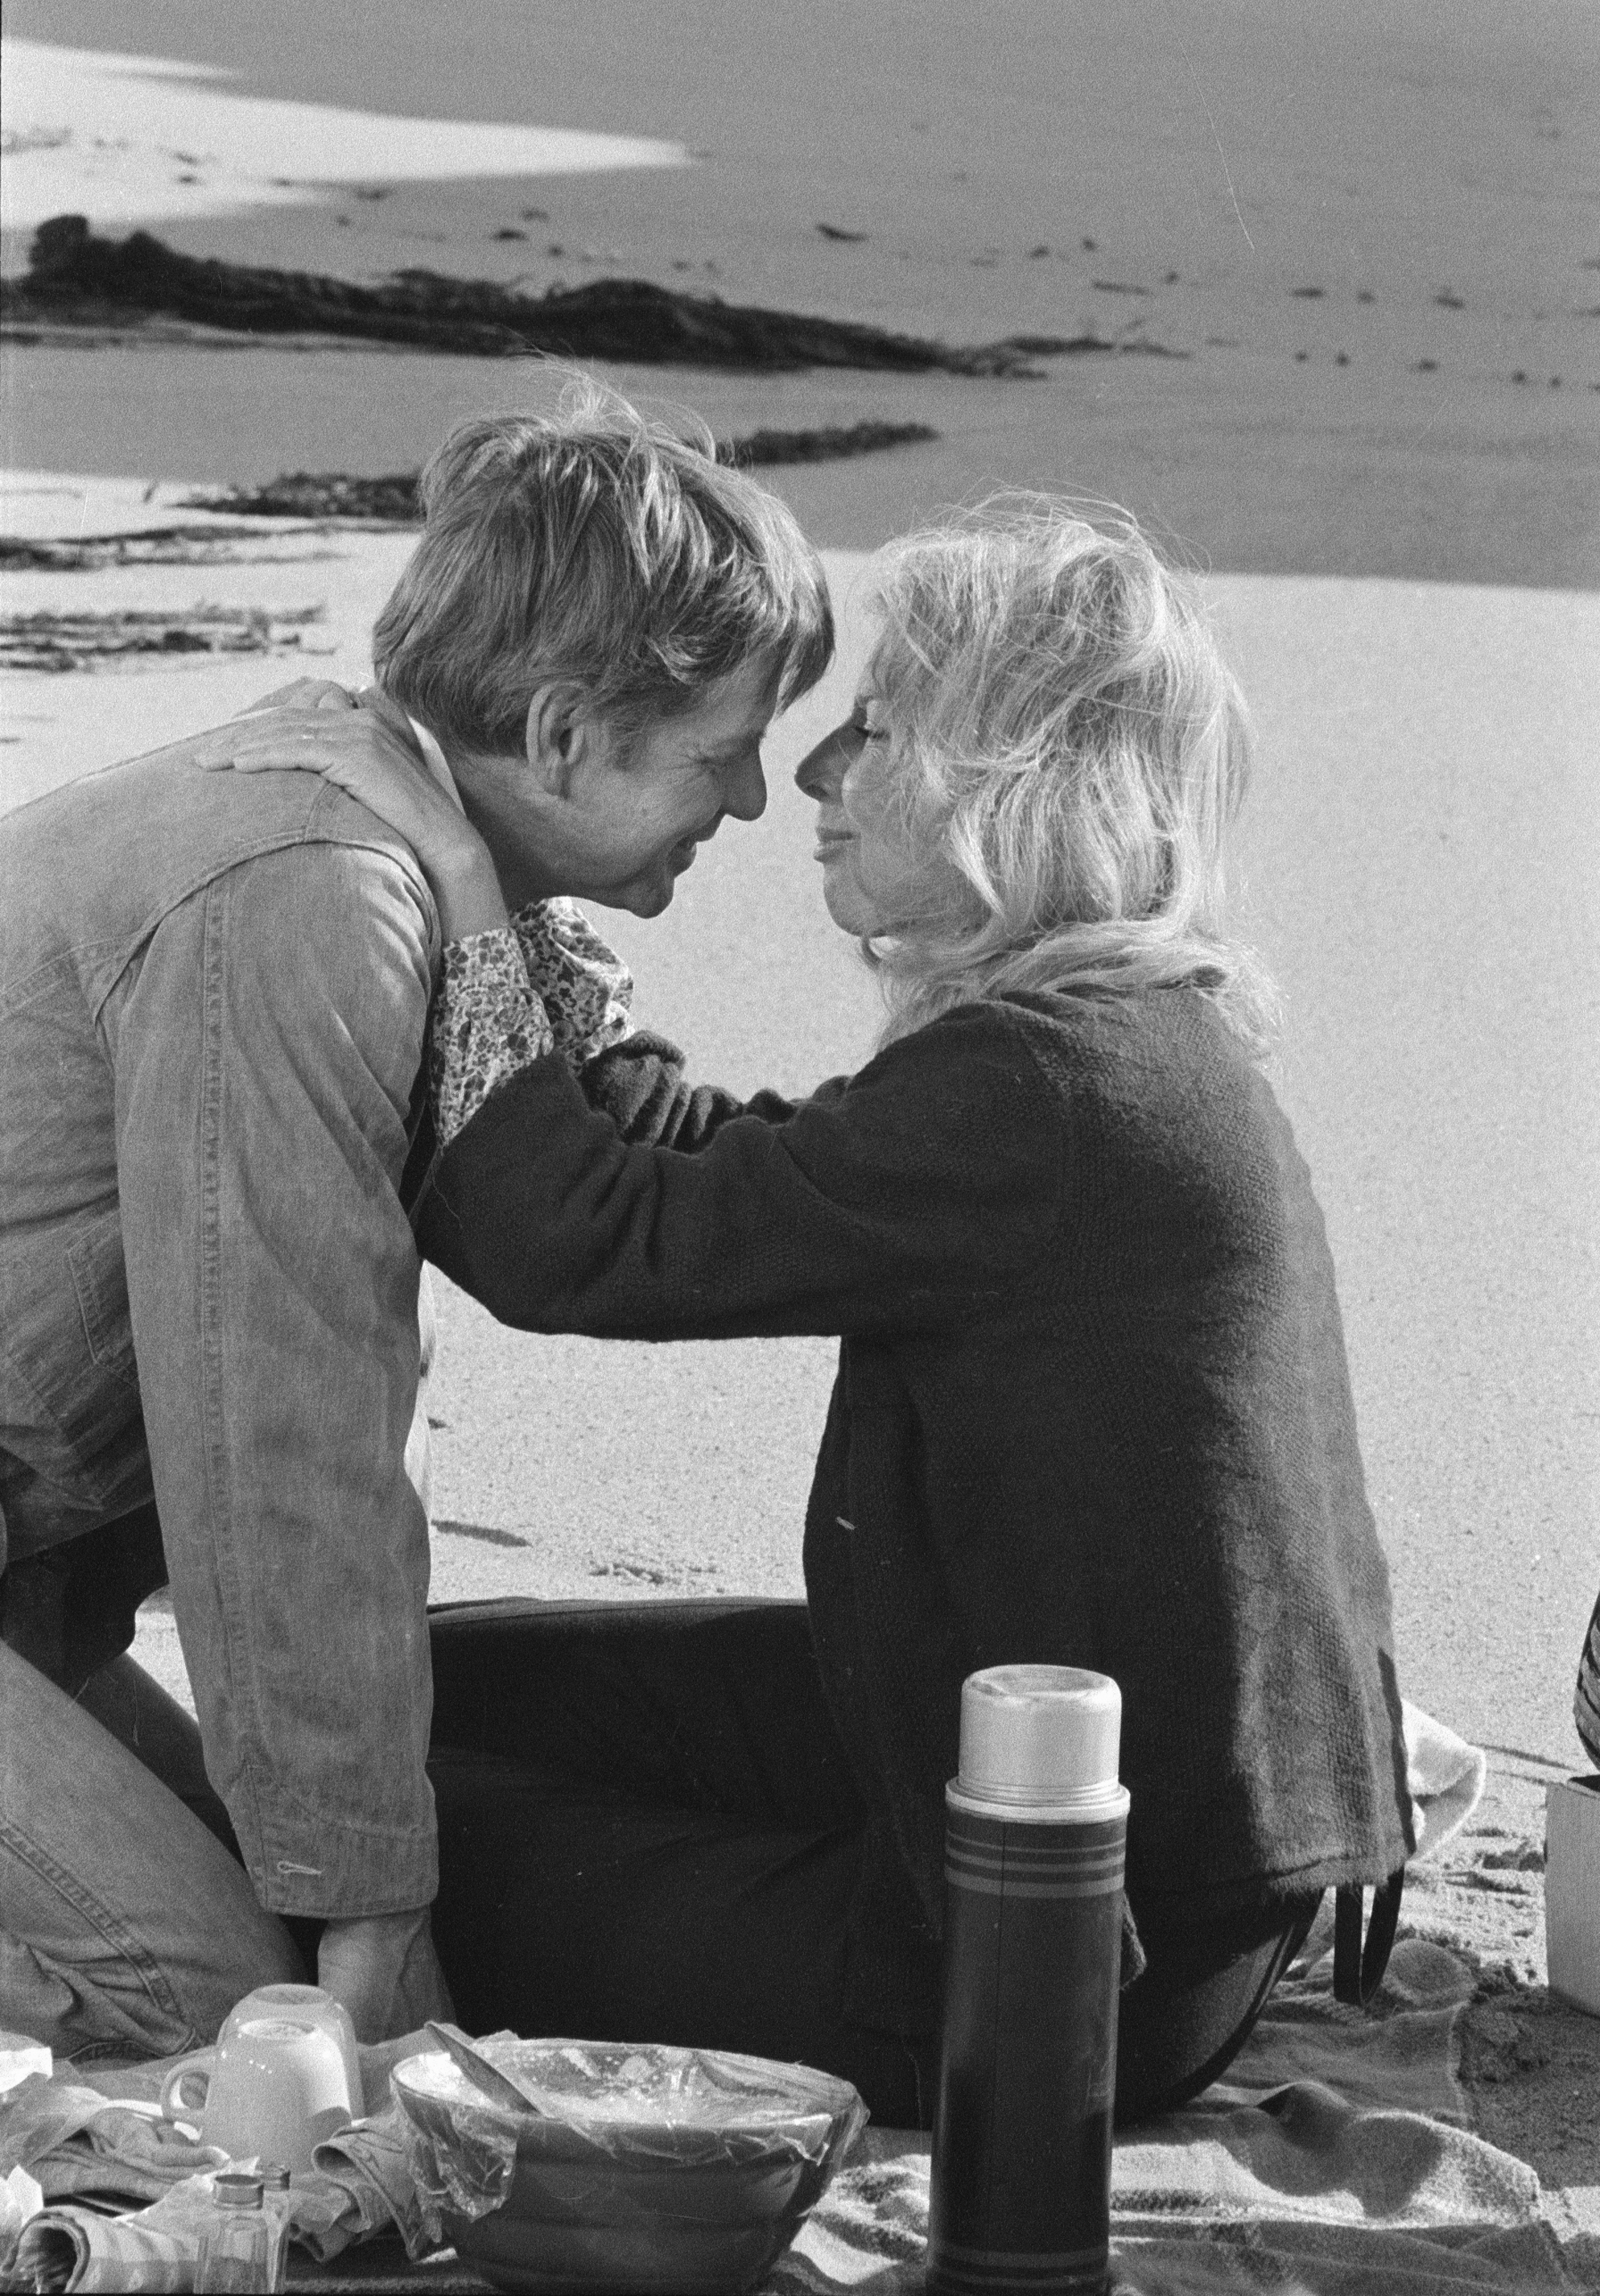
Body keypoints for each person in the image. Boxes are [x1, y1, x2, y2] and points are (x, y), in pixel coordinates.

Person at [212, 499, 1413, 2128]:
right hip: (1080, 1820)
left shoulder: (1048, 1084)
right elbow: (742, 1171)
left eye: (878, 731)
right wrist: (557, 977)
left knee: (345, 1822)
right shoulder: (1112, 1034)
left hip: (1059, 1972)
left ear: (1008, 784)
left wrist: (461, 886)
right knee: (405, 1704)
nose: (818, 779)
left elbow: (577, 1244)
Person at [0, 390, 832, 2060]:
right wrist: (365, 1894)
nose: (751, 799)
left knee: (285, 1975)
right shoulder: (313, 897)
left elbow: (621, 1153)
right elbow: (285, 1436)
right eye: (719, 748)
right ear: (559, 730)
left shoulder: (407, 841)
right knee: (218, 2012)